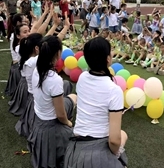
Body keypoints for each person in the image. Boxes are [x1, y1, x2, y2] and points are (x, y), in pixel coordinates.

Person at [65, 37, 129, 167]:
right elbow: (114, 141)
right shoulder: (114, 90)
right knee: (122, 136)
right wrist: (115, 156)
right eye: (110, 51)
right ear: (107, 59)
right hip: (96, 149)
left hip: (75, 147)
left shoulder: (82, 78)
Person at [28, 35, 76, 168]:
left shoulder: (37, 68)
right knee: (73, 98)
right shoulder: (54, 79)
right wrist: (67, 123)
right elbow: (60, 115)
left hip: (39, 119)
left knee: (71, 97)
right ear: (58, 53)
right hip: (51, 124)